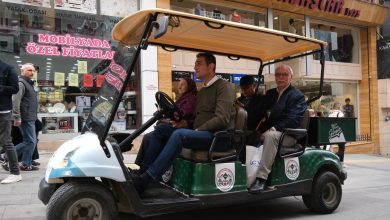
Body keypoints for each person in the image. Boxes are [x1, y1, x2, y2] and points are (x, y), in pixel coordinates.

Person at [133, 53, 236, 192]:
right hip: (204, 134)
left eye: (199, 63)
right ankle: (143, 171)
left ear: (211, 67)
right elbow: (199, 119)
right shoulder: (202, 91)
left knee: (179, 135)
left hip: (219, 137)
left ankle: (147, 179)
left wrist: (197, 130)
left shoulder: (224, 87)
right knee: (162, 129)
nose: (195, 67)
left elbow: (222, 119)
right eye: (195, 64)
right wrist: (187, 124)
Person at [249, 64, 307, 193]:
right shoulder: (270, 94)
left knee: (270, 136)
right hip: (270, 131)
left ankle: (261, 178)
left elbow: (293, 119)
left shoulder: (296, 96)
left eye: (284, 75)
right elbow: (261, 113)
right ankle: (246, 171)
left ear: (291, 77)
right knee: (248, 134)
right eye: (278, 74)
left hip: (289, 134)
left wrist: (273, 129)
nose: (281, 77)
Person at [134, 77, 197, 166]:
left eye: (182, 85)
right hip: (176, 126)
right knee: (147, 137)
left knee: (159, 130)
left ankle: (146, 167)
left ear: (189, 86)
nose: (179, 87)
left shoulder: (191, 100)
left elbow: (183, 113)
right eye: (179, 85)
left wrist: (170, 114)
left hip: (182, 128)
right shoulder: (182, 99)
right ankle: (140, 166)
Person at [12, 63, 39, 171]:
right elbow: (15, 101)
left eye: (33, 71)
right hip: (25, 117)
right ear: (22, 71)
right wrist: (17, 117)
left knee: (30, 141)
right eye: (29, 70)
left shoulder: (29, 83)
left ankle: (25, 163)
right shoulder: (21, 83)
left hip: (30, 117)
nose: (32, 72)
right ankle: (6, 155)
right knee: (30, 141)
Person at [0, 59, 22, 184]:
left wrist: (1, 88)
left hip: (3, 111)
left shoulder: (8, 68)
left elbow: (15, 88)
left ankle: (15, 172)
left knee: (6, 142)